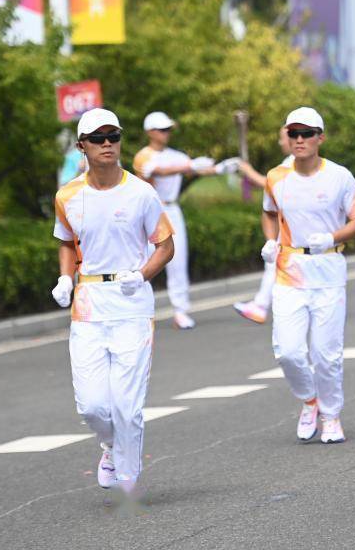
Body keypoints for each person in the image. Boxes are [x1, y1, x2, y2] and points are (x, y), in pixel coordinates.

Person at [51, 108, 175, 496]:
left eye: (113, 137)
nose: (107, 144)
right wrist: (65, 278)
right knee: (91, 406)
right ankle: (109, 444)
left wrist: (140, 275)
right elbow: (67, 242)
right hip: (88, 302)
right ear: (81, 146)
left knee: (126, 403)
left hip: (131, 300)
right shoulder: (68, 195)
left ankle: (128, 470)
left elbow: (164, 246)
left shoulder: (141, 192)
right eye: (98, 138)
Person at [261, 107, 355, 444]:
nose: (299, 139)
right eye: (293, 133)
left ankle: (332, 415)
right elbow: (268, 212)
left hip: (328, 269)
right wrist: (270, 241)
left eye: (307, 133)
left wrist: (333, 237)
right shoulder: (276, 177)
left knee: (326, 353)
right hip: (289, 271)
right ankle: (310, 399)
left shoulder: (339, 176)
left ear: (320, 138)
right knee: (288, 351)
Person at [132, 112, 215, 330]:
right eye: (162, 130)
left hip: (172, 209)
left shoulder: (176, 155)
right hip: (148, 212)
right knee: (143, 262)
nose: (166, 133)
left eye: (168, 129)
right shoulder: (143, 156)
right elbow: (159, 171)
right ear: (150, 132)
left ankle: (181, 311)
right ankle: (135, 310)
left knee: (177, 261)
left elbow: (198, 167)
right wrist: (191, 166)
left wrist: (223, 168)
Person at [234, 126, 294, 325]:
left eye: (282, 138)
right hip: (288, 223)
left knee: (277, 263)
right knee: (276, 264)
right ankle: (261, 304)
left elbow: (268, 183)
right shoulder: (291, 162)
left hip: (293, 226)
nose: (280, 142)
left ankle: (261, 305)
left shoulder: (293, 162)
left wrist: (248, 171)